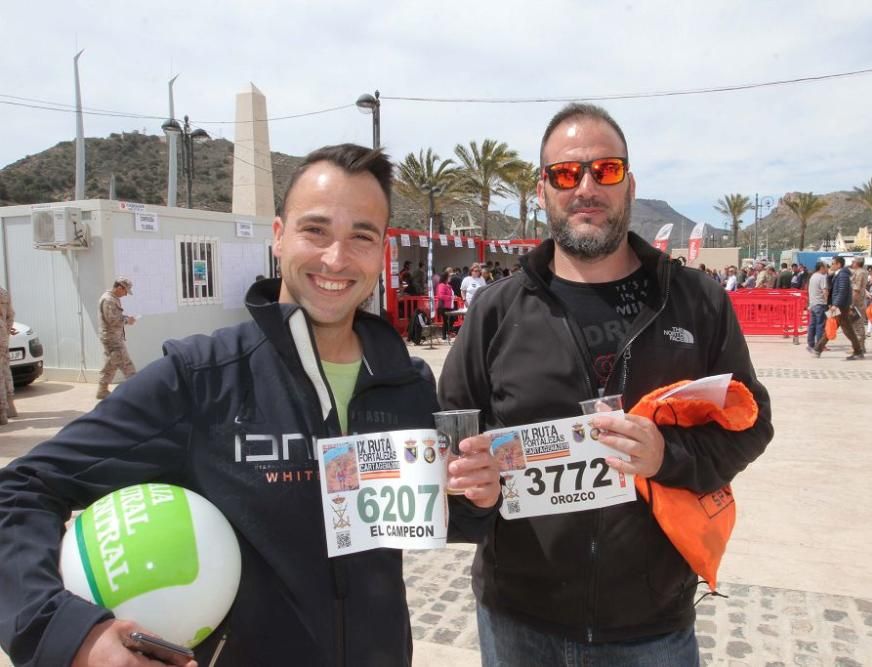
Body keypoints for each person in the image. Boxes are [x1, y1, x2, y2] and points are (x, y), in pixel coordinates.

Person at [0, 145, 501, 667]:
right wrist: (68, 634)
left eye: (361, 236)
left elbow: (437, 516)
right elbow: (19, 491)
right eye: (316, 230)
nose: (336, 258)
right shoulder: (200, 379)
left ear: (381, 252)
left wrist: (475, 497)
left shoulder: (406, 381)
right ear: (279, 236)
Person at [438, 103, 772, 666]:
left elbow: (751, 424)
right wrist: (473, 491)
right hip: (518, 620)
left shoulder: (696, 301)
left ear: (630, 185)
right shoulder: (496, 311)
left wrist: (668, 455)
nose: (586, 186)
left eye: (606, 170)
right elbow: (449, 441)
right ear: (542, 190)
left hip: (651, 625)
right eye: (566, 174)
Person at [814, 256, 865, 360]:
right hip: (837, 306)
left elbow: (842, 291)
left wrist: (835, 304)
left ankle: (858, 351)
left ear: (839, 264)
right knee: (832, 326)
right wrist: (829, 276)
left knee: (847, 330)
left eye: (833, 263)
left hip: (840, 307)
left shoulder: (843, 275)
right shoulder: (838, 274)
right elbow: (833, 288)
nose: (831, 265)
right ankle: (818, 348)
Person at [96, 277, 138, 399]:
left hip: (112, 337)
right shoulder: (109, 300)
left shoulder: (112, 299)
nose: (125, 295)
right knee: (127, 364)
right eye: (125, 292)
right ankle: (137, 390)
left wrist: (125, 317)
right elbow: (112, 320)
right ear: (120, 287)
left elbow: (114, 316)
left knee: (111, 363)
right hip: (111, 338)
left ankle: (102, 390)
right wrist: (127, 320)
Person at [0, 286, 16, 425]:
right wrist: (6, 330)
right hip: (2, 333)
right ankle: (10, 407)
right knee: (4, 369)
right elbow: (11, 314)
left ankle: (2, 412)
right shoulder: (3, 291)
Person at [807, 261, 829, 352]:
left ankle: (810, 344)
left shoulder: (813, 276)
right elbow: (825, 291)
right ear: (821, 268)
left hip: (813, 304)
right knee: (820, 325)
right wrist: (828, 301)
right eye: (825, 267)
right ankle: (820, 345)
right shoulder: (822, 277)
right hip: (820, 304)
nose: (827, 269)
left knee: (812, 325)